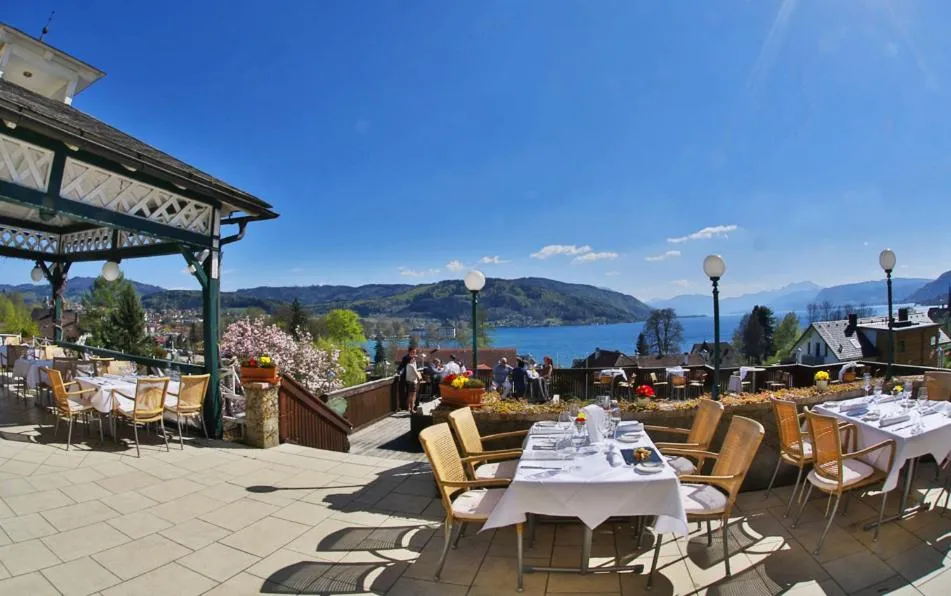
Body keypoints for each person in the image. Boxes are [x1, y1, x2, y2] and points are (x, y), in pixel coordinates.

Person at [404, 348, 422, 413]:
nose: (414, 359)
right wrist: (420, 379)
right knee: (413, 395)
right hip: (413, 381)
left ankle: (408, 407)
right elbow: (416, 373)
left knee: (409, 395)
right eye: (413, 359)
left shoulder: (408, 365)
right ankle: (412, 409)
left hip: (408, 380)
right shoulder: (412, 366)